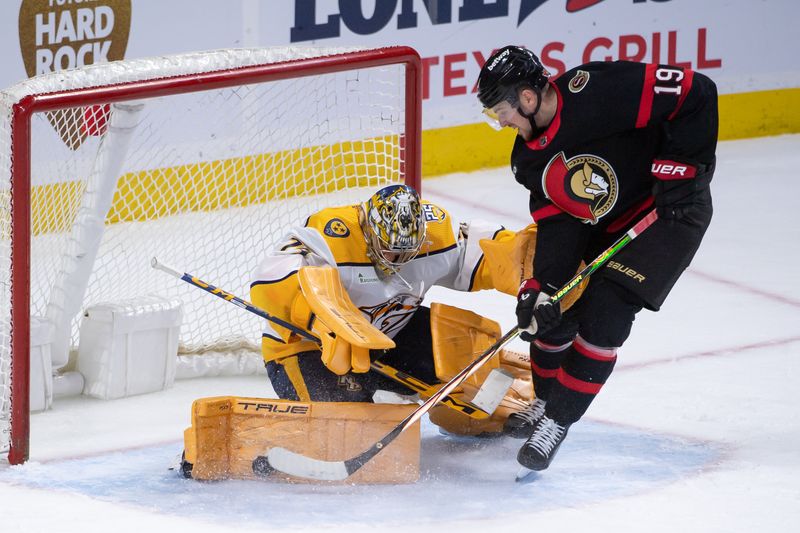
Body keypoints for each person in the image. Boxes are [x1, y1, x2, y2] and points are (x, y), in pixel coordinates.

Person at [476, 46, 718, 471]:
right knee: (553, 314)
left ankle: (557, 420)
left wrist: (681, 168)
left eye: (502, 110)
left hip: (669, 212)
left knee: (607, 314)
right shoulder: (529, 159)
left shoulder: (601, 90)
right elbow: (561, 225)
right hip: (603, 221)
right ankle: (547, 399)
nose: (501, 122)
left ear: (527, 99)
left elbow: (697, 92)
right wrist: (542, 286)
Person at [249, 184, 554, 436]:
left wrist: (535, 272)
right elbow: (271, 279)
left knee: (475, 403)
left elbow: (488, 255)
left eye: (407, 251)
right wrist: (322, 320)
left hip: (389, 335)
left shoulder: (436, 236)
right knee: (347, 431)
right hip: (309, 348)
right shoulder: (330, 234)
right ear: (368, 230)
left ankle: (502, 385)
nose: (397, 259)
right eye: (388, 249)